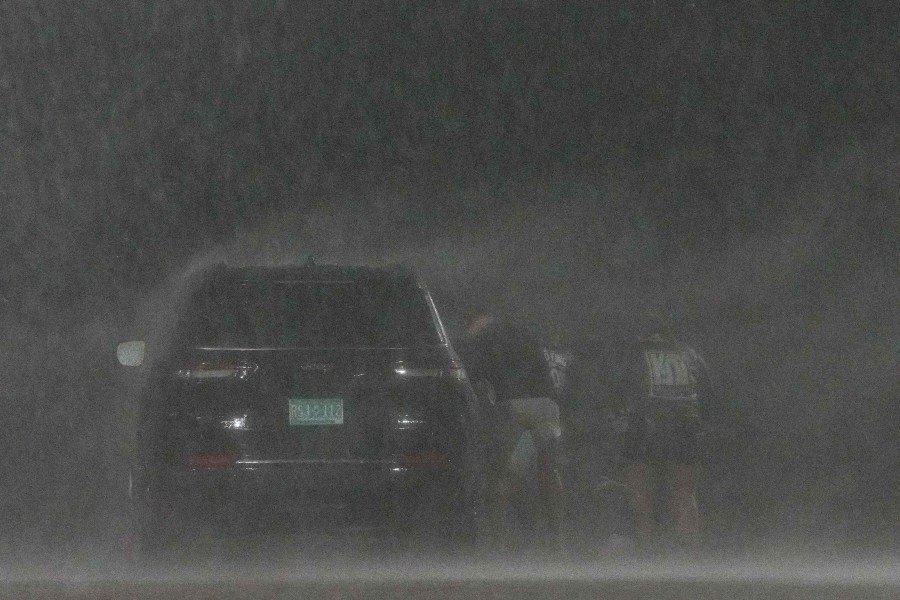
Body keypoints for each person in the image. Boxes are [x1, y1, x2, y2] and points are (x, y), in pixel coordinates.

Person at [455, 314, 566, 555]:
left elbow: (472, 374)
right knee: (548, 470)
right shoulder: (530, 339)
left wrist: (471, 337)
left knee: (504, 474)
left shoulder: (489, 341)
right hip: (546, 405)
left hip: (512, 407)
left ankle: (498, 542)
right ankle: (558, 542)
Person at [608, 314, 708, 552]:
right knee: (684, 491)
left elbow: (619, 388)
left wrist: (618, 421)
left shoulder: (637, 353)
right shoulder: (689, 354)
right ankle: (688, 550)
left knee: (640, 488)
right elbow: (708, 392)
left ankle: (646, 545)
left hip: (647, 425)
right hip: (686, 425)